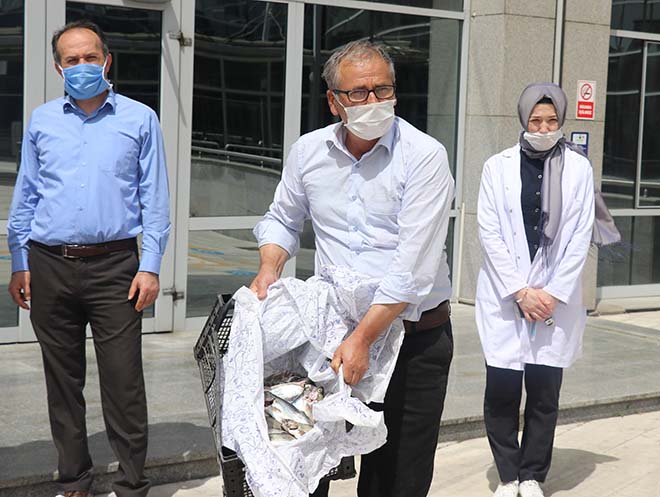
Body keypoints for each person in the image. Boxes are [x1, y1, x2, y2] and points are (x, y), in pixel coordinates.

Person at [250, 40, 454, 497]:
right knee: (301, 462)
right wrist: (269, 266)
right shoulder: (309, 152)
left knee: (396, 478)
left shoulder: (424, 155)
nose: (373, 101)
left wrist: (363, 338)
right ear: (333, 101)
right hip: (328, 336)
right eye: (359, 93)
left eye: (383, 89)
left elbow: (411, 269)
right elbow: (283, 218)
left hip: (412, 338)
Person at [7, 20, 170, 497]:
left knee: (123, 381)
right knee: (62, 382)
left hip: (115, 267)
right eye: (72, 60)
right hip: (48, 264)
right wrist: (19, 260)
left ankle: (131, 484)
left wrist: (150, 265)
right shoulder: (42, 120)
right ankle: (75, 480)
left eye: (90, 57)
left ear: (107, 61)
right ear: (59, 68)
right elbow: (27, 193)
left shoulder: (139, 119)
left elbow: (154, 199)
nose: (82, 66)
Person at [475, 83, 596, 497]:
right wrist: (519, 291)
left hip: (554, 300)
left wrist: (553, 293)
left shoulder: (578, 169)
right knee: (502, 390)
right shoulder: (497, 167)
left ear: (561, 121)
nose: (544, 128)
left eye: (551, 120)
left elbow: (580, 234)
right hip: (507, 295)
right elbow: (489, 232)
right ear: (523, 120)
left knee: (544, 394)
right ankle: (508, 474)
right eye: (536, 120)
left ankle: (532, 476)